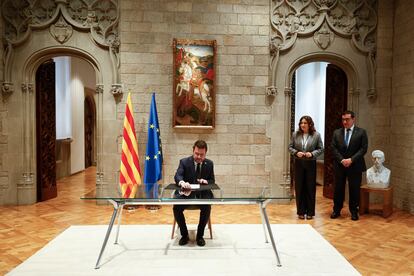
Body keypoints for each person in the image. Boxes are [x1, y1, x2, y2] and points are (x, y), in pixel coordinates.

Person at [173, 140, 214, 246]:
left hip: (202, 195)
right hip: (186, 195)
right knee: (176, 208)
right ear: (193, 151)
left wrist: (206, 181)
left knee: (207, 207)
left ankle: (200, 236)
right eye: (197, 154)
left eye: (202, 154)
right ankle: (184, 235)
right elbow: (178, 176)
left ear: (206, 153)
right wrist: (182, 182)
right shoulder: (184, 162)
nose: (199, 157)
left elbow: (212, 181)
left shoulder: (209, 164)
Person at [331, 111, 368, 221]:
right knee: (338, 189)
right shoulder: (337, 133)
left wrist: (351, 159)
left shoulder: (361, 132)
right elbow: (333, 148)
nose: (345, 122)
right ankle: (336, 210)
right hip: (340, 165)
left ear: (353, 119)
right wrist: (342, 160)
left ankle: (354, 211)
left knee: (354, 189)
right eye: (343, 119)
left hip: (355, 165)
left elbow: (363, 149)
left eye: (347, 119)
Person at [289, 116, 324, 220]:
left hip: (310, 164)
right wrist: (296, 152)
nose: (302, 125)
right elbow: (290, 147)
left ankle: (310, 212)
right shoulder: (295, 134)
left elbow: (321, 148)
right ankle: (300, 211)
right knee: (299, 188)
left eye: (305, 123)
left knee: (310, 188)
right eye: (301, 123)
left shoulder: (316, 135)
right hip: (299, 163)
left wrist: (312, 154)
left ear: (310, 124)